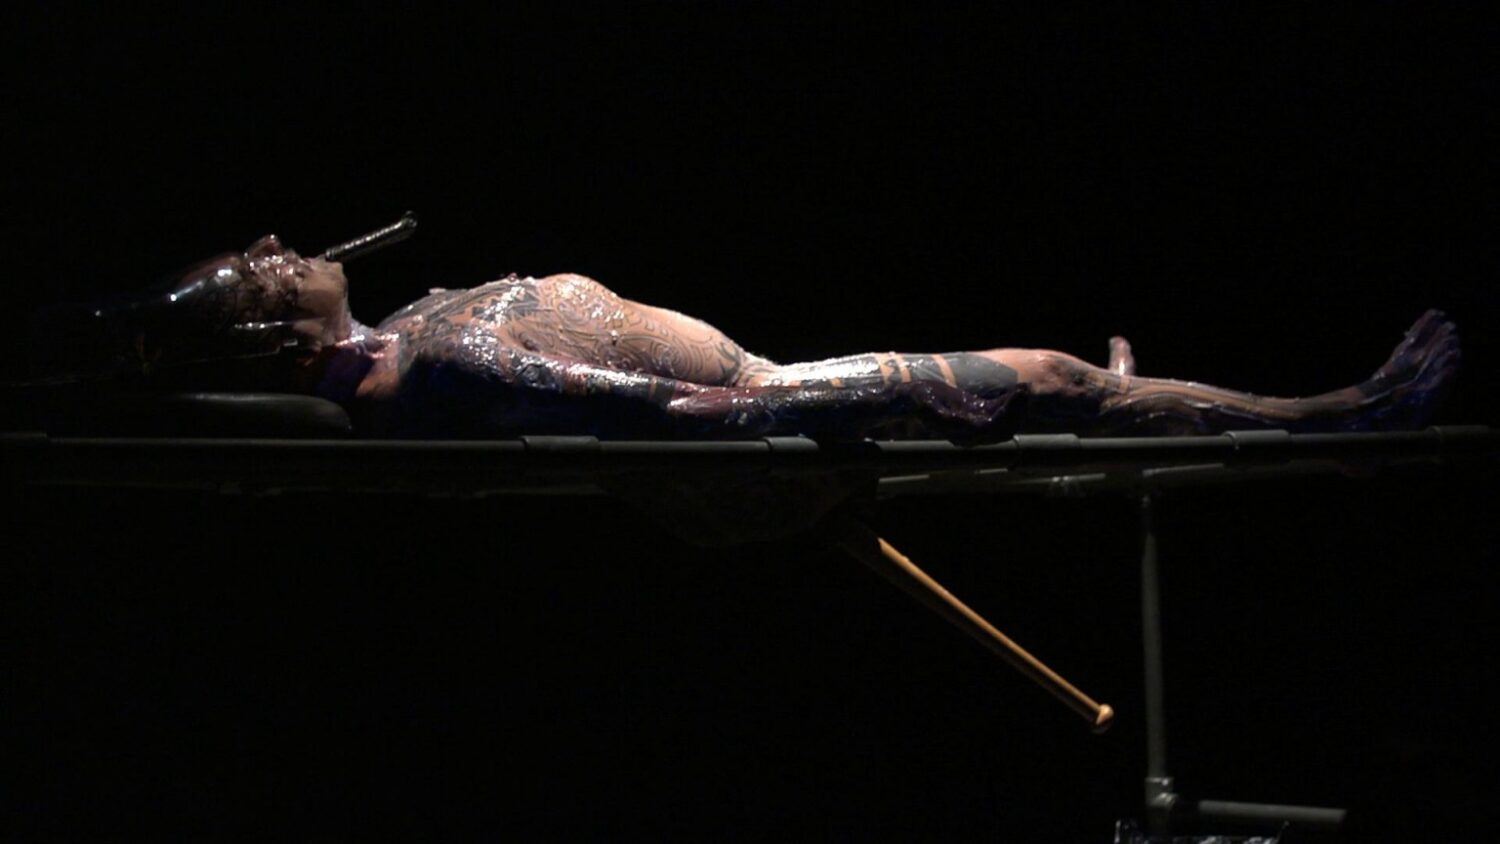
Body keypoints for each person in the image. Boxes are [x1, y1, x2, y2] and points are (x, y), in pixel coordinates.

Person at [46, 235, 1461, 442]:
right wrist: (903, 390)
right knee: (1050, 374)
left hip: (770, 385)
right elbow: (693, 414)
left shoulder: (409, 324)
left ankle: (1121, 395)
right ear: (259, 329)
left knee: (1067, 381)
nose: (279, 247)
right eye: (256, 270)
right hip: (774, 406)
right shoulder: (443, 364)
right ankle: (1340, 416)